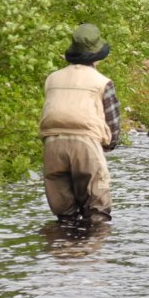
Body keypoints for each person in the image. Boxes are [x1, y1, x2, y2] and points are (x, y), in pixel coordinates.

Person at [39, 23, 121, 223]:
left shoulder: (52, 78)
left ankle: (62, 249)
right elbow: (112, 119)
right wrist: (110, 144)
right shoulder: (102, 82)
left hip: (52, 144)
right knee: (97, 210)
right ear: (98, 55)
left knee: (64, 214)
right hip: (87, 144)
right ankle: (94, 251)